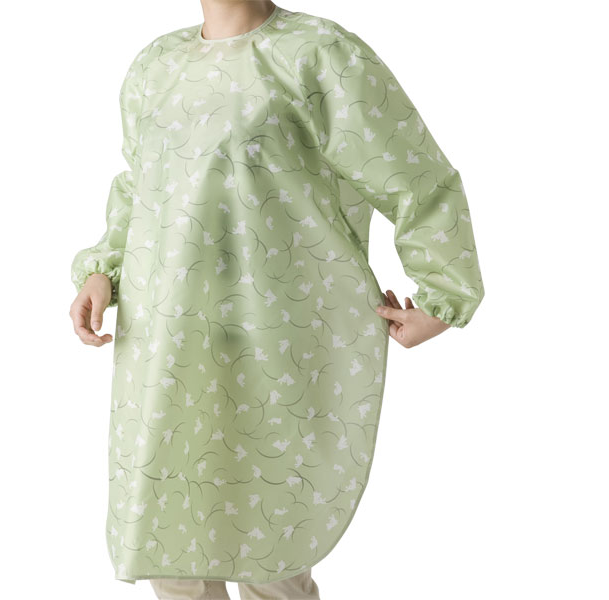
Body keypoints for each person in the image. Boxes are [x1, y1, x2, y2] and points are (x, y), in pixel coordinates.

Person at [69, 1, 484, 598]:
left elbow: (411, 171)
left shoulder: (317, 54)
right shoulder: (156, 65)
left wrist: (442, 294)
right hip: (167, 334)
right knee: (170, 532)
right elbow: (141, 184)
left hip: (278, 330)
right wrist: (102, 271)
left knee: (269, 537)